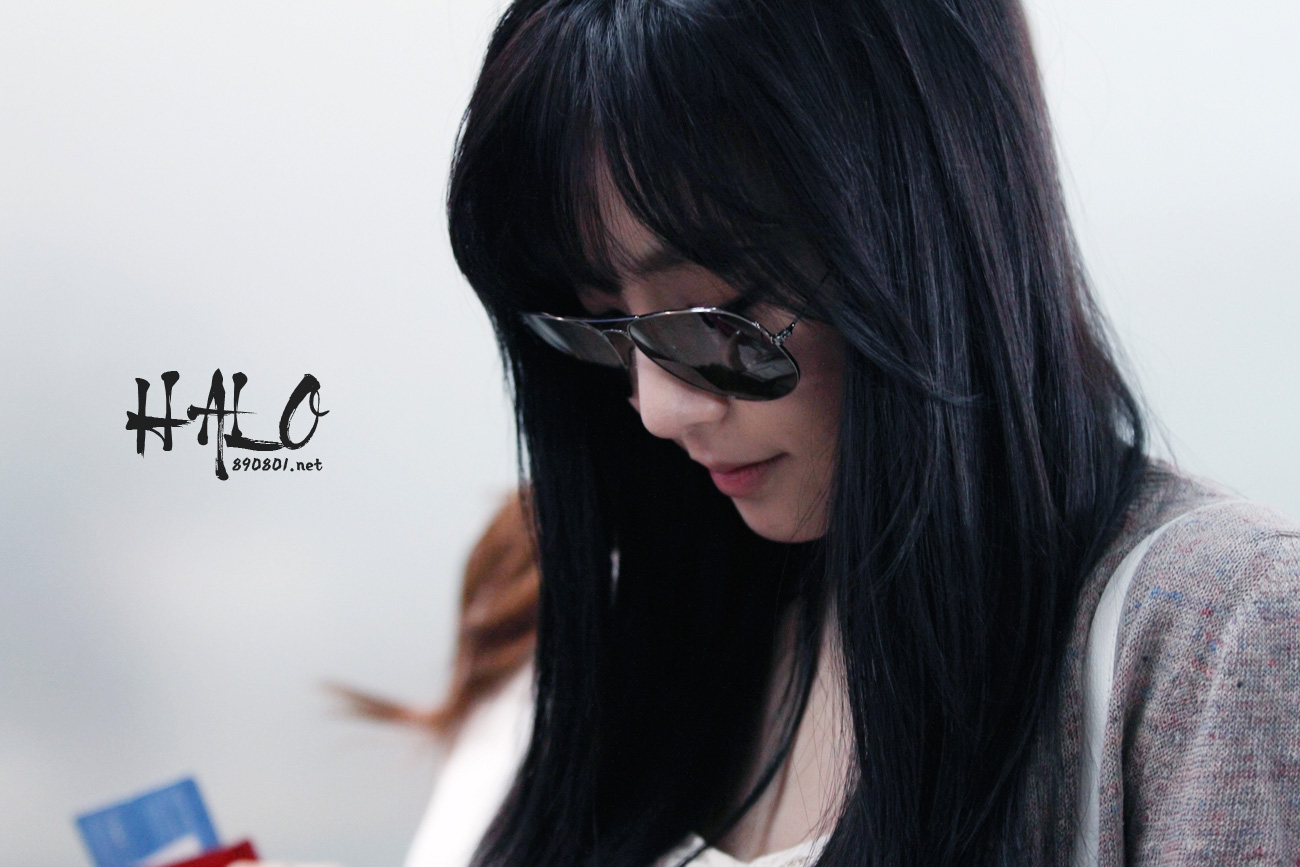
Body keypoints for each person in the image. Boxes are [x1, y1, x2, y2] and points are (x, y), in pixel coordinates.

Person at [442, 0, 1300, 865]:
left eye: (717, 316)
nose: (662, 410)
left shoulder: (1220, 632)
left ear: (923, 233)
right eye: (602, 325)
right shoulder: (643, 613)